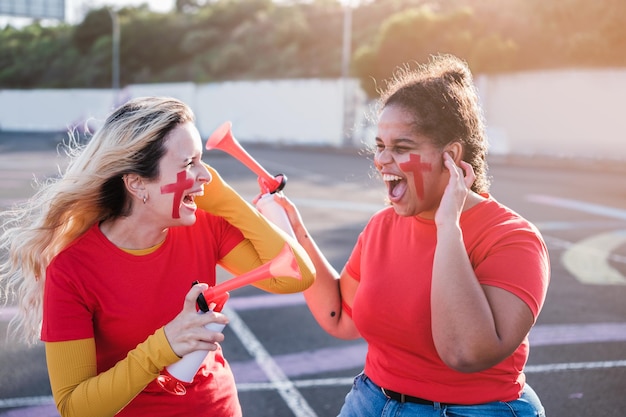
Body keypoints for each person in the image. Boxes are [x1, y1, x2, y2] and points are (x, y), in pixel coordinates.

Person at [0, 96, 315, 417]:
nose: (206, 176)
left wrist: (229, 202)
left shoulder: (205, 225)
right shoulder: (72, 270)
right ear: (137, 184)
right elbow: (75, 408)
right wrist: (166, 344)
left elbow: (299, 276)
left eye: (201, 160)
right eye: (188, 163)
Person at [275, 54, 550, 416]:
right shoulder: (381, 226)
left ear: (450, 157)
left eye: (401, 148)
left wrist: (448, 226)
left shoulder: (513, 239)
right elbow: (341, 317)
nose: (381, 161)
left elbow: (466, 352)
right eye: (380, 147)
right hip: (370, 402)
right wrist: (292, 232)